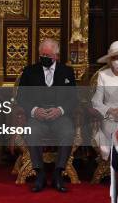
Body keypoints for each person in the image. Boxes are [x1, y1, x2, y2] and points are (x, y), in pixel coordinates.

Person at [16, 38, 77, 193]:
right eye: (42, 54)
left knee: (68, 132)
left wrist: (61, 110)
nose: (45, 57)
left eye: (48, 55)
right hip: (38, 116)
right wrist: (34, 110)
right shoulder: (29, 72)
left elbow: (73, 99)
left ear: (56, 56)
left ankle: (58, 173)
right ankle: (40, 174)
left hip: (60, 116)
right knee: (32, 131)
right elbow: (21, 98)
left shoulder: (67, 72)